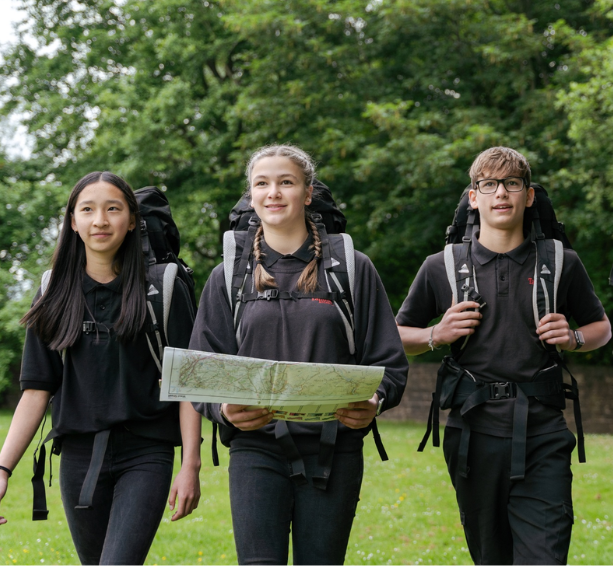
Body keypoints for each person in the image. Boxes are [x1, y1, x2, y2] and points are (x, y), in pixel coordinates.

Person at [189, 144, 408, 565]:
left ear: (307, 193)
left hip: (334, 450)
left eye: (286, 182)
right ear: (251, 196)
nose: (273, 192)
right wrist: (222, 410)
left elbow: (389, 362)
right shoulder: (228, 275)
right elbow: (203, 367)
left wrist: (375, 402)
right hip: (255, 450)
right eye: (262, 184)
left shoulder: (353, 268)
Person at [396, 146, 611, 565]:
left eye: (512, 184)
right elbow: (398, 335)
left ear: (528, 196)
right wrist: (436, 333)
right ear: (473, 196)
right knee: (490, 556)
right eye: (489, 185)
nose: (501, 194)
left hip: (543, 430)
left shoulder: (560, 261)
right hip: (472, 432)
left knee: (544, 556)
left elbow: (601, 328)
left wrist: (574, 339)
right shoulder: (442, 265)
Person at [0, 172, 202, 565]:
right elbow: (36, 389)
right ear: (72, 221)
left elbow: (188, 383)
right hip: (78, 457)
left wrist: (190, 465)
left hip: (146, 454)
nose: (100, 220)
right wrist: (3, 466)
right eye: (88, 209)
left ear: (131, 221)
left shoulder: (162, 287)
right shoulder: (53, 291)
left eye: (113, 209)